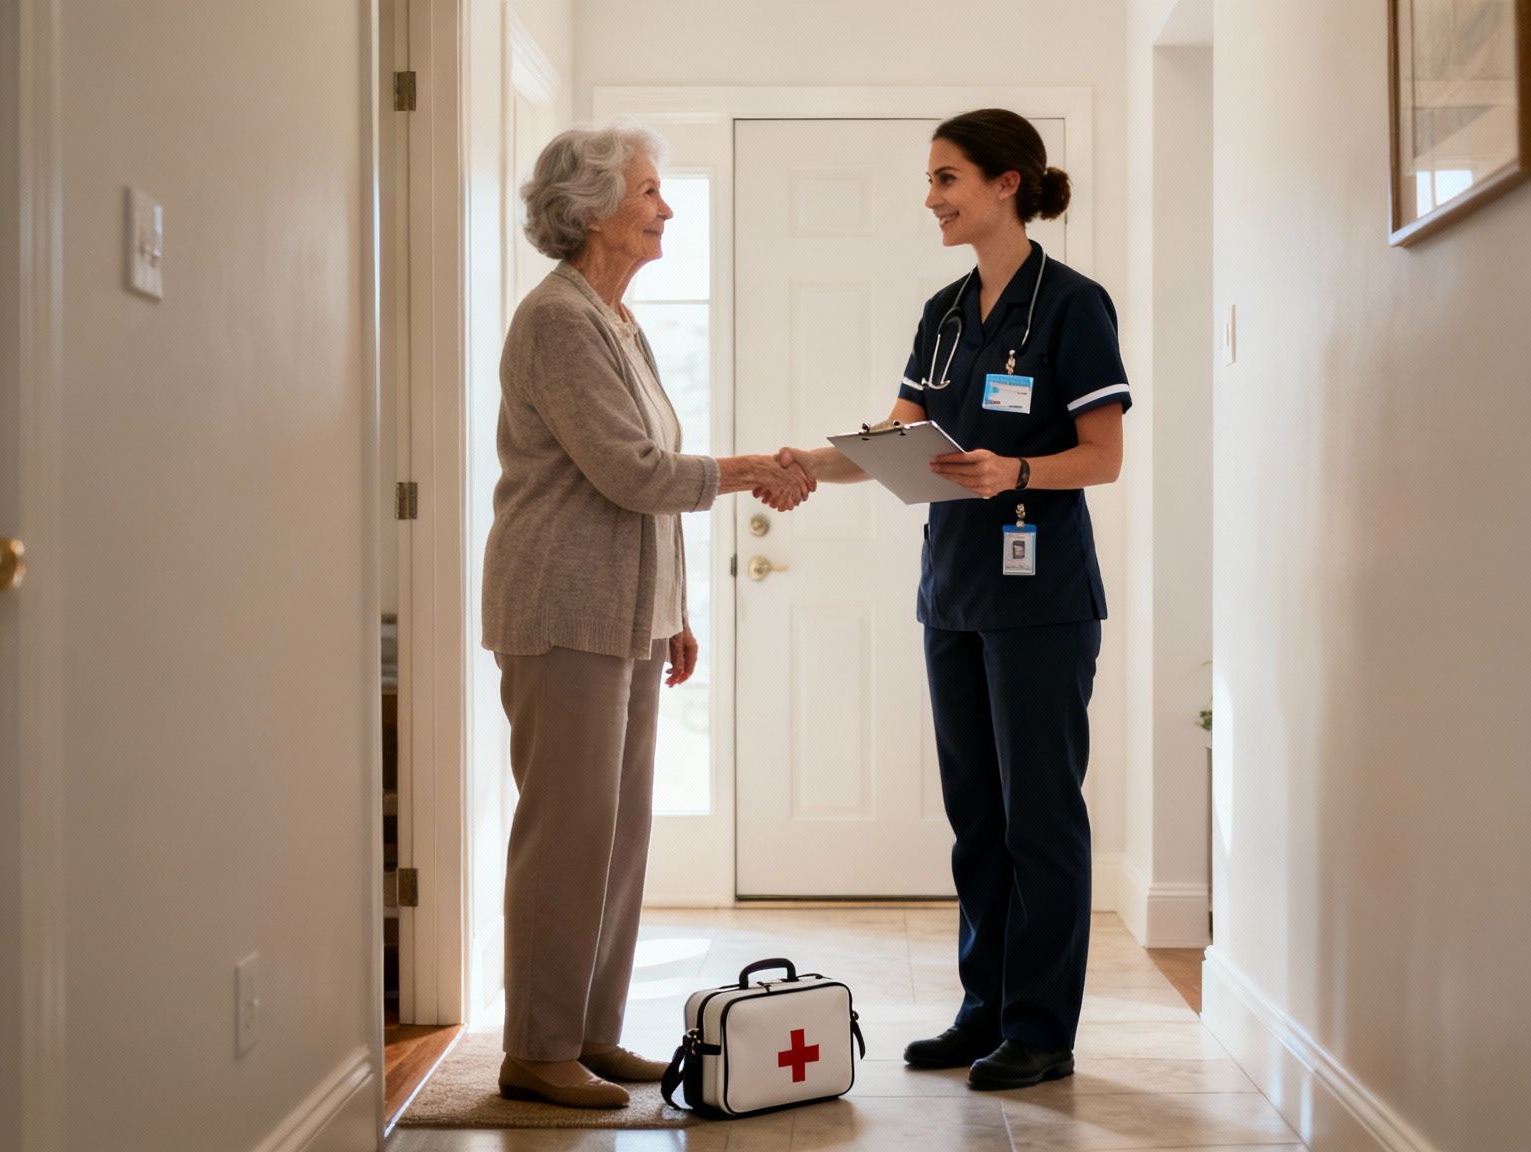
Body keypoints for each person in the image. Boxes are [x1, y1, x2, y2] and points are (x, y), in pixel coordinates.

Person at [781, 108, 1129, 1091]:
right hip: (952, 597)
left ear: (1006, 183)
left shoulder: (1072, 305)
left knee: (1039, 818)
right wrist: (801, 463)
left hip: (1041, 598)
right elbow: (897, 438)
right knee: (976, 815)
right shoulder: (941, 312)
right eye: (931, 182)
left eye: (946, 179)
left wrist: (1012, 468)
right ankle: (982, 1012)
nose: (930, 198)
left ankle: (1039, 1029)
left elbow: (1101, 458)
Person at [481, 122, 813, 1109]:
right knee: (566, 834)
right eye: (649, 191)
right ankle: (534, 1049)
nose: (664, 208)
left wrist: (669, 610)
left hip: (620, 615)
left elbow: (634, 481)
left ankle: (585, 1032)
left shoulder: (615, 320)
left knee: (617, 838)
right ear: (592, 210)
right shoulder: (556, 320)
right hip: (560, 612)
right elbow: (630, 473)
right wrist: (751, 470)